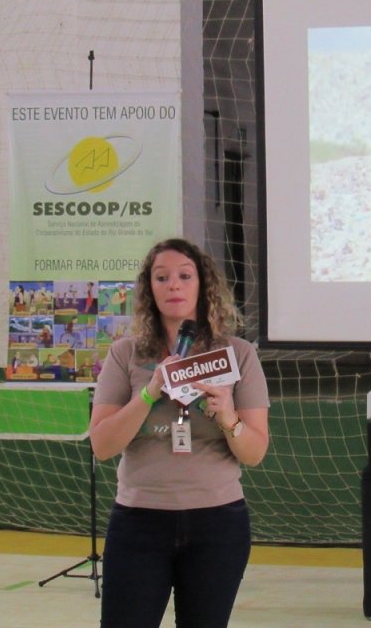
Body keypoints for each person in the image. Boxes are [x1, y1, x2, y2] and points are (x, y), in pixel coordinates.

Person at [90, 238, 270, 628]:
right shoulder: (125, 353)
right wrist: (149, 392)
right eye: (162, 277)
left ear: (203, 286)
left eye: (185, 276)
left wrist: (229, 417)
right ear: (149, 290)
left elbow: (254, 453)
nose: (173, 284)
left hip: (218, 524)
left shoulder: (238, 353)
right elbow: (102, 445)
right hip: (138, 521)